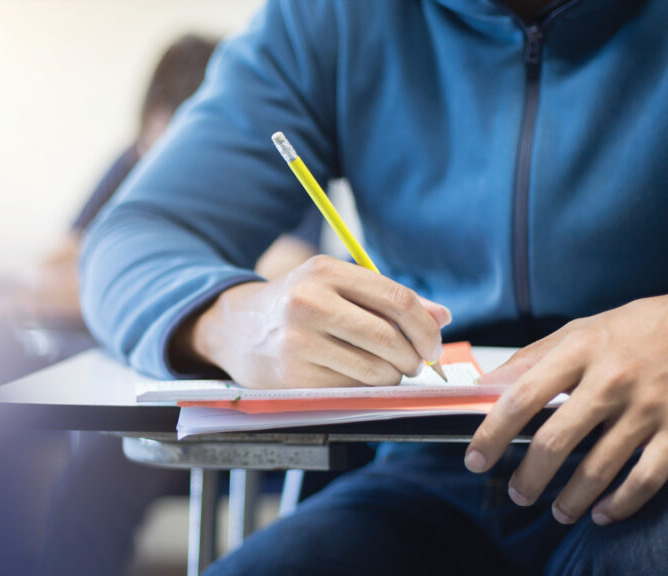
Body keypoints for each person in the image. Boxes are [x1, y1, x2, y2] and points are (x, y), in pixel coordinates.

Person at [80, 1, 668, 574]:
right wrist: (238, 320)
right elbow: (129, 241)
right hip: (429, 469)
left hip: (651, 462)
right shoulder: (331, 16)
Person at [33, 33, 326, 576]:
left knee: (333, 491)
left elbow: (292, 277)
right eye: (152, 150)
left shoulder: (264, 159)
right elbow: (54, 273)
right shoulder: (133, 165)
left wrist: (148, 296)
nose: (163, 171)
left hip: (249, 406)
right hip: (151, 398)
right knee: (95, 473)